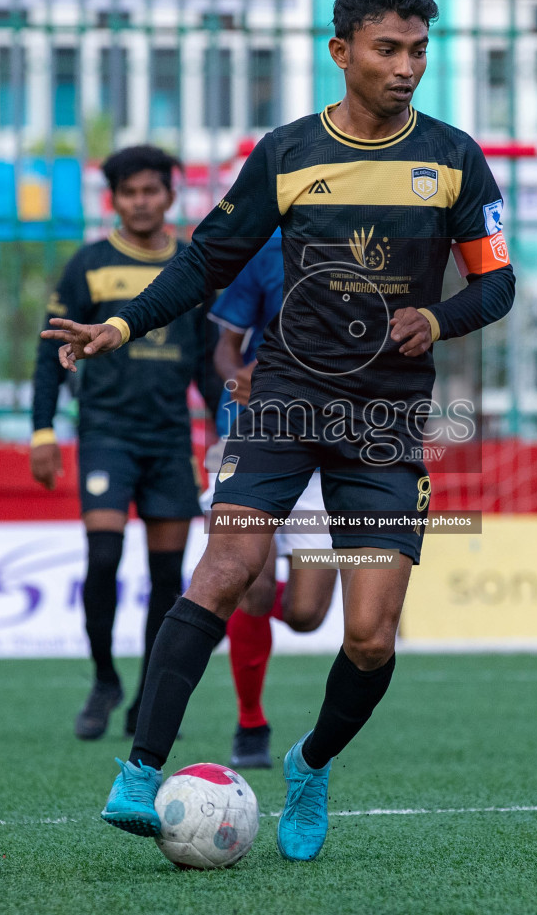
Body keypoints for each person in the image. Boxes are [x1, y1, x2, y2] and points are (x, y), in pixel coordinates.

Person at [43, 0, 516, 861]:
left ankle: (310, 760)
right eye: (387, 50)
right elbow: (204, 261)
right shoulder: (288, 153)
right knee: (223, 570)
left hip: (385, 419)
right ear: (341, 53)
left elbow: (498, 284)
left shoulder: (454, 159)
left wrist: (440, 316)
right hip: (284, 398)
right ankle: (140, 773)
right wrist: (119, 320)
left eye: (418, 51)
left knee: (371, 638)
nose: (406, 67)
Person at [29, 144, 214, 741]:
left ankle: (146, 700)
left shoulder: (192, 267)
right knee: (103, 559)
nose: (141, 202)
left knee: (168, 578)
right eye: (130, 193)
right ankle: (104, 678)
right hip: (107, 434)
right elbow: (48, 351)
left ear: (169, 195)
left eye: (151, 191)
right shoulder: (89, 264)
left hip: (169, 441)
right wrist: (42, 430)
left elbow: (212, 361)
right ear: (115, 200)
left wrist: (226, 434)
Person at [205, 229, 340, 770]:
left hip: (326, 443)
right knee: (251, 588)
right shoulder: (260, 252)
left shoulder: (365, 249)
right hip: (251, 434)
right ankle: (250, 722)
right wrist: (237, 378)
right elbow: (225, 348)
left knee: (307, 615)